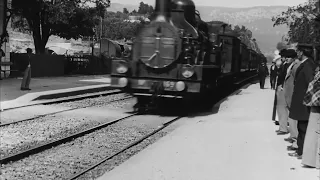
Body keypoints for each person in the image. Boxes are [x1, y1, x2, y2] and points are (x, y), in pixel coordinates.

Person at [288, 44, 317, 159]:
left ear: (302, 52)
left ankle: (303, 152)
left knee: (304, 127)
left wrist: (308, 100)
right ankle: (300, 150)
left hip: (304, 102)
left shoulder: (308, 65)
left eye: (298, 51)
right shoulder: (306, 64)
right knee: (301, 126)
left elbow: (311, 83)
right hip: (301, 102)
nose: (297, 54)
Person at [282, 49, 301, 151]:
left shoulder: (296, 66)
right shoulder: (292, 65)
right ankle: (293, 136)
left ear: (293, 58)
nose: (287, 59)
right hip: (289, 95)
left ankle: (295, 140)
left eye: (289, 57)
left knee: (294, 119)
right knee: (291, 118)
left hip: (293, 95)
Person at [302, 66, 320, 168]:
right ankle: (314, 161)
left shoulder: (317, 72)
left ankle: (311, 160)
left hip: (315, 104)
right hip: (316, 104)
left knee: (313, 131)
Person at [275, 49, 292, 135]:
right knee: (281, 109)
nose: (281, 58)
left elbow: (283, 77)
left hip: (282, 88)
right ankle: (282, 127)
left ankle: (283, 128)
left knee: (282, 109)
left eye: (282, 56)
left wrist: (281, 87)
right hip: (281, 87)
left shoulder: (286, 66)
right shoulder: (284, 65)